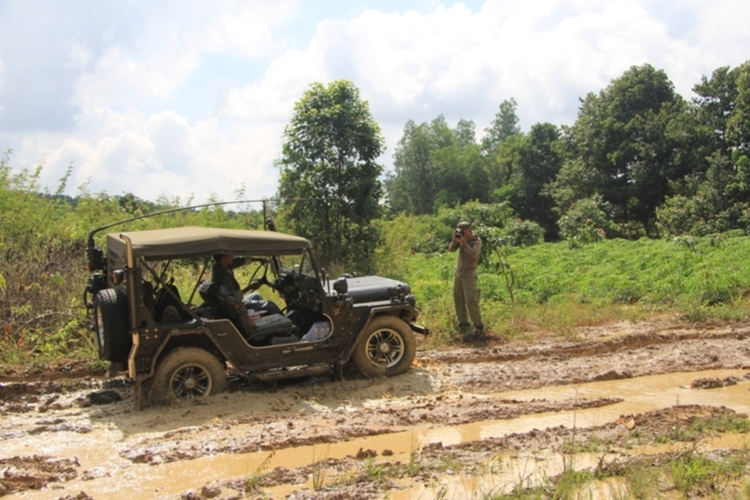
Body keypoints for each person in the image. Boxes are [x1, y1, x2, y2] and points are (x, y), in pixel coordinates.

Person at [211, 254, 283, 318]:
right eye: (230, 255)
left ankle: (260, 318)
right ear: (224, 258)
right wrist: (250, 287)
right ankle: (288, 327)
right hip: (236, 306)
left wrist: (259, 259)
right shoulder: (221, 277)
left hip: (236, 300)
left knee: (257, 295)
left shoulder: (223, 266)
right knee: (271, 305)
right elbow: (234, 296)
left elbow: (239, 261)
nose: (233, 257)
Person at [448, 222, 484, 337]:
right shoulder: (461, 238)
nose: (462, 233)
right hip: (459, 274)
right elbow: (451, 250)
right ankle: (463, 326)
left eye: (463, 231)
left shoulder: (476, 240)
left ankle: (478, 326)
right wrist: (455, 240)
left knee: (471, 301)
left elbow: (474, 254)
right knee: (459, 301)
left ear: (469, 230)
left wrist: (464, 243)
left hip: (469, 273)